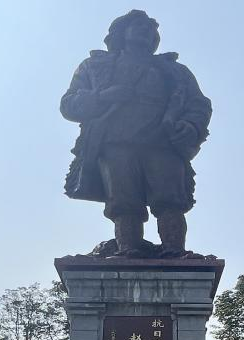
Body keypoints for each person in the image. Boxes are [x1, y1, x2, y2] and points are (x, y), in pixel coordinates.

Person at [60, 9, 212, 257]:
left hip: (163, 142)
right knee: (123, 201)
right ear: (122, 32)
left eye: (151, 29)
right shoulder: (95, 66)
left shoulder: (174, 71)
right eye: (139, 26)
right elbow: (68, 105)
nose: (147, 32)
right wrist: (102, 96)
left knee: (170, 200)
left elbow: (199, 104)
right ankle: (128, 249)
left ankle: (174, 250)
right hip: (115, 143)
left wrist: (191, 125)